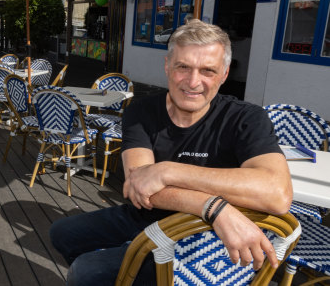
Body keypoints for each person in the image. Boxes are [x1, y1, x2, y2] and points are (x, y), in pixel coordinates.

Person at [49, 19, 292, 285]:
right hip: (155, 215)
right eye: (183, 67)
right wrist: (212, 206)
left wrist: (167, 170)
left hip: (207, 236)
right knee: (62, 233)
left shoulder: (246, 118)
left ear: (223, 75)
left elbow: (277, 194)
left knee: (87, 272)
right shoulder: (141, 112)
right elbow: (138, 186)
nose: (193, 81)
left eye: (208, 71)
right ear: (167, 67)